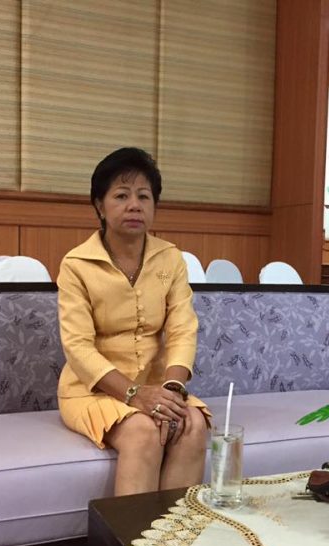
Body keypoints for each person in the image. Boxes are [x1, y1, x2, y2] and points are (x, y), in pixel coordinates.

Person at [57, 147, 210, 496]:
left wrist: (173, 389)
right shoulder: (76, 264)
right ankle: (135, 534)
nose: (134, 205)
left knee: (192, 424)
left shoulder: (170, 258)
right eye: (121, 195)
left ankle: (176, 531)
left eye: (144, 196)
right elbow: (77, 347)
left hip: (157, 387)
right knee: (143, 432)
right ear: (100, 205)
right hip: (91, 391)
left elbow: (183, 329)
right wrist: (134, 394)